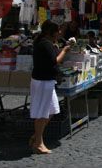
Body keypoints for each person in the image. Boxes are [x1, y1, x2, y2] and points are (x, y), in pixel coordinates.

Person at [30, 20, 73, 154]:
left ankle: (36, 136)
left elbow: (53, 56)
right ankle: (38, 143)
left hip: (47, 81)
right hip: (43, 81)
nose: (60, 32)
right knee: (43, 113)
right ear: (51, 32)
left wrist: (63, 46)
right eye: (58, 30)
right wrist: (65, 50)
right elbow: (55, 60)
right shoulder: (44, 44)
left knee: (53, 109)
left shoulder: (47, 43)